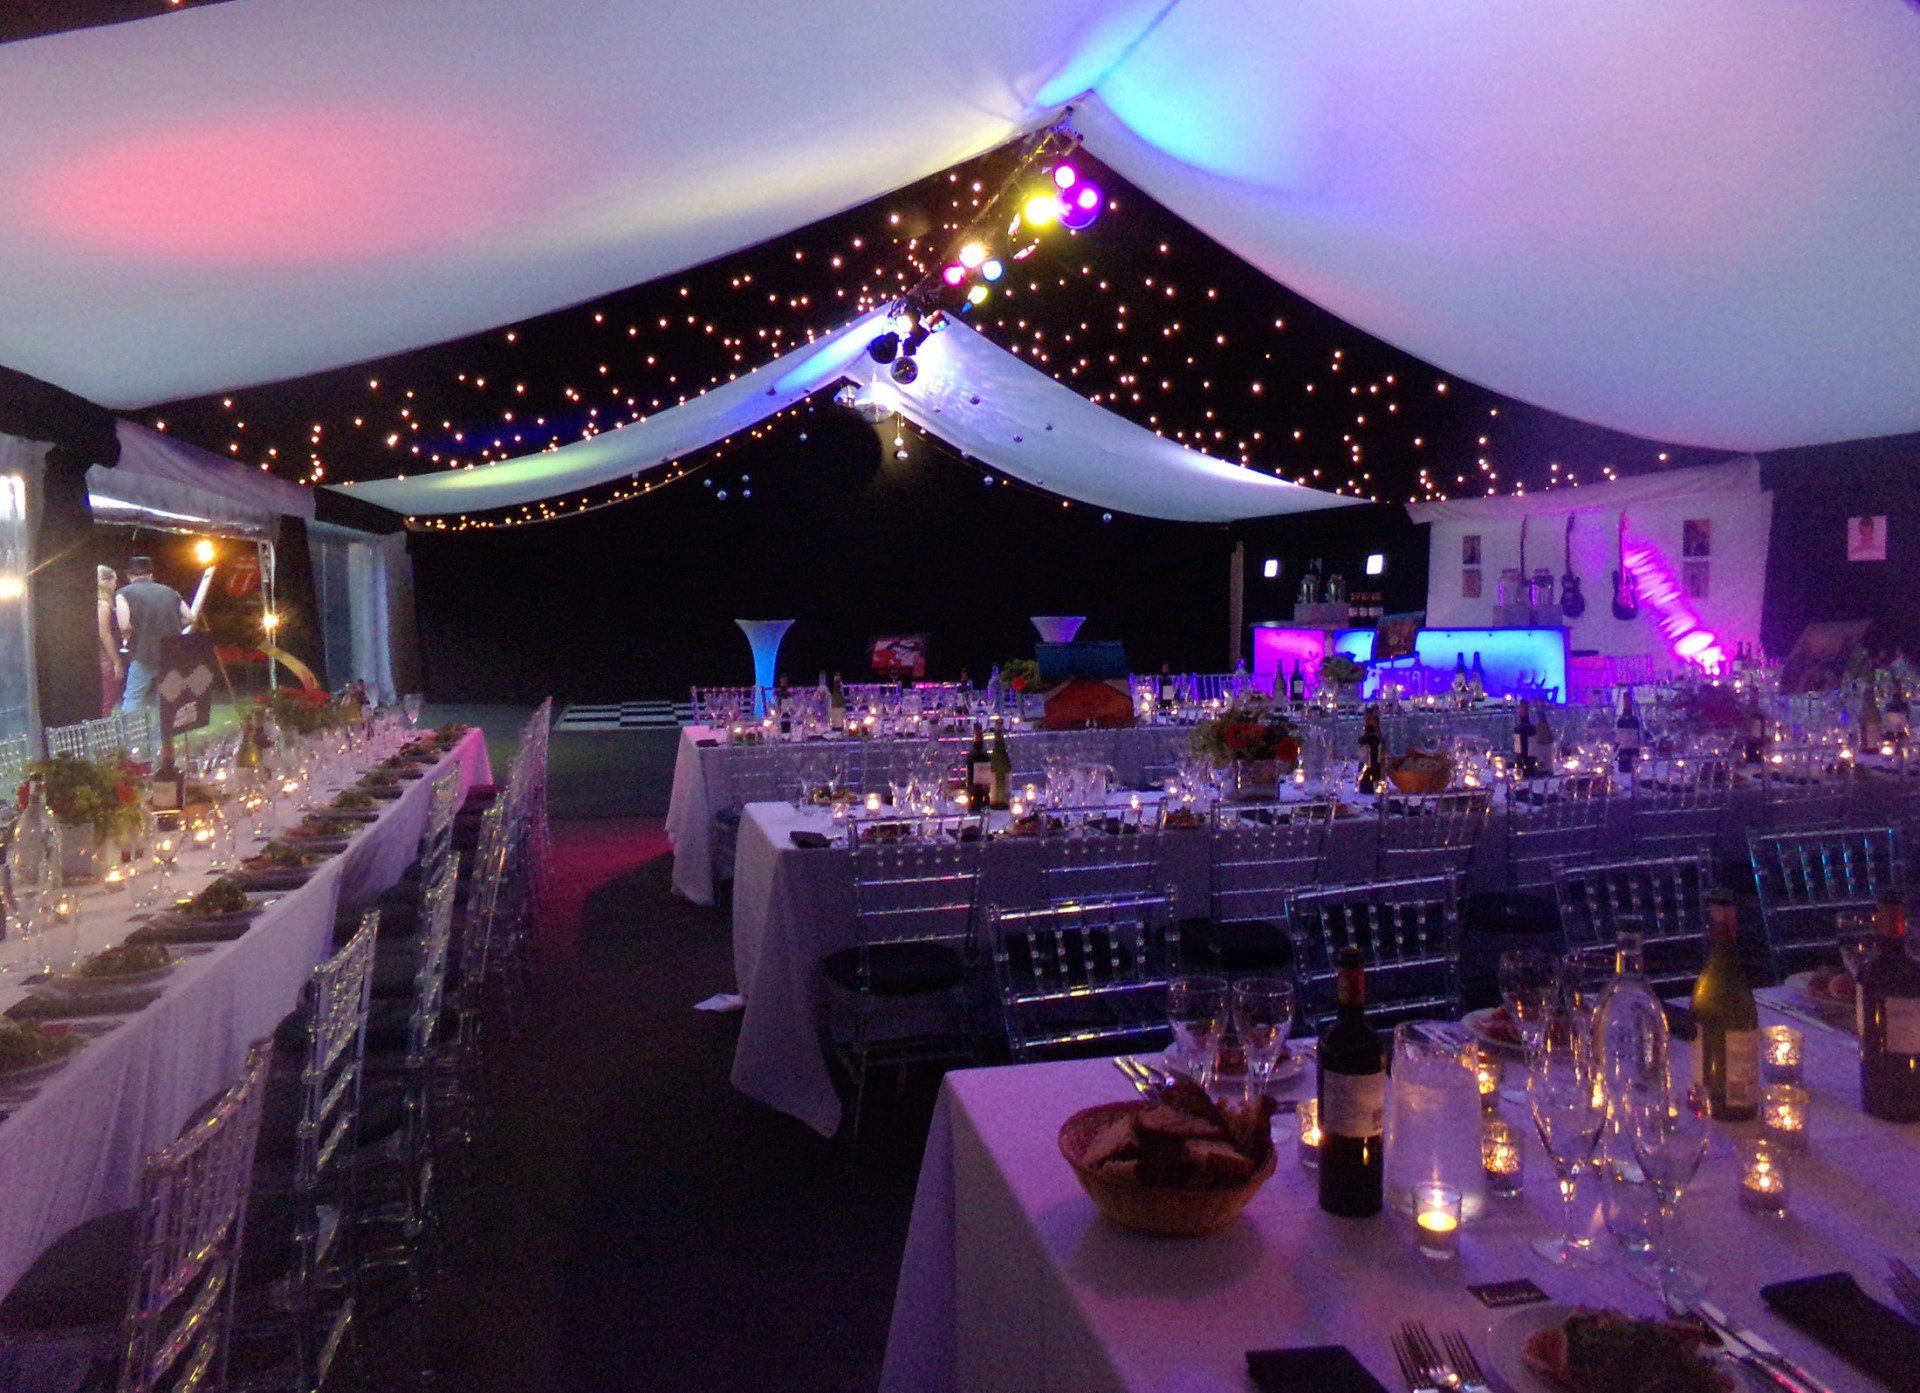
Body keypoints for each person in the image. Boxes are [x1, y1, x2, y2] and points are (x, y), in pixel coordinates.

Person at [115, 556, 205, 716]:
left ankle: (129, 731)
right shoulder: (170, 591)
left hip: (143, 653)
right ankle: (163, 731)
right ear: (151, 575)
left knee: (133, 698)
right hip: (171, 652)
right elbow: (190, 617)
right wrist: (174, 626)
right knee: (167, 699)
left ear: (129, 575)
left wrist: (135, 633)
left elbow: (124, 625)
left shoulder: (123, 593)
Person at [95, 565, 123, 716]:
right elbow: (104, 634)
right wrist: (117, 662)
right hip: (106, 656)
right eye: (114, 581)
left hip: (104, 654)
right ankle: (103, 728)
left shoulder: (104, 603)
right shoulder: (103, 604)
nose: (115, 585)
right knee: (108, 698)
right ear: (106, 581)